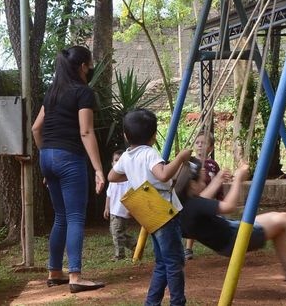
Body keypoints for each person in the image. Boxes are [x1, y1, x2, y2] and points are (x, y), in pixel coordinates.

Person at [175, 158, 286, 281]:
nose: (206, 179)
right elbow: (229, 207)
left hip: (228, 235)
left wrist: (218, 179)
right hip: (234, 238)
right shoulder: (195, 205)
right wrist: (238, 180)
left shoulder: (183, 204)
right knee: (285, 219)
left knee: (277, 223)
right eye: (202, 178)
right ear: (192, 184)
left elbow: (203, 199)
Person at [31, 46, 105, 293]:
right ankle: (75, 276)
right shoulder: (82, 92)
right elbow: (85, 131)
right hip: (69, 157)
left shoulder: (52, 92)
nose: (91, 68)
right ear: (83, 66)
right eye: (90, 64)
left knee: (61, 217)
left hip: (47, 157)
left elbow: (36, 129)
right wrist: (98, 169)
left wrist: (46, 159)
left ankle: (54, 272)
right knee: (75, 217)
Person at [107, 108, 191, 306]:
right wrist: (180, 158)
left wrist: (136, 175)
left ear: (126, 136)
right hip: (163, 210)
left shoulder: (126, 157)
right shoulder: (149, 153)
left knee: (162, 262)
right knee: (174, 262)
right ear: (154, 136)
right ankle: (178, 302)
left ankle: (152, 303)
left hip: (147, 211)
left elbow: (112, 176)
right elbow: (163, 175)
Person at [184, 131, 222, 261]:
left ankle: (219, 244)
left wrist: (220, 196)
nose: (200, 145)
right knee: (193, 222)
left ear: (210, 148)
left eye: (203, 143)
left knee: (212, 223)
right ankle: (188, 248)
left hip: (210, 198)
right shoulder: (191, 162)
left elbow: (218, 181)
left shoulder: (213, 164)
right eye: (197, 142)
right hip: (195, 198)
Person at [103, 150, 136, 260]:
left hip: (122, 212)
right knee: (116, 233)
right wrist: (107, 208)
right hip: (113, 211)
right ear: (112, 164)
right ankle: (134, 245)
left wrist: (131, 209)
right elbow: (109, 195)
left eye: (121, 160)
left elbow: (132, 196)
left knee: (117, 233)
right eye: (116, 160)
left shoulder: (128, 180)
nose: (118, 162)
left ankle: (119, 255)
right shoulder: (112, 180)